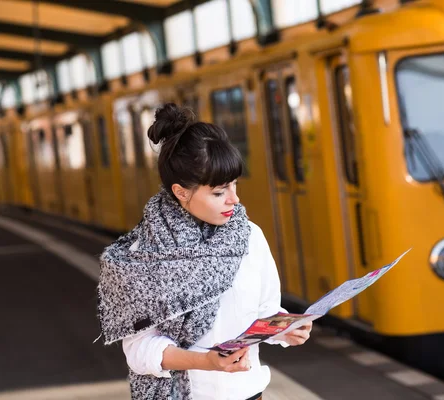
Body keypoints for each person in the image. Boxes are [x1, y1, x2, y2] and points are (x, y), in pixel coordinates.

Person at [96, 103, 312, 400]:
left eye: (235, 185)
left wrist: (284, 329)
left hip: (250, 393)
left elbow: (264, 312)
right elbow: (139, 351)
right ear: (181, 192)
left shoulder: (250, 236)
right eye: (219, 192)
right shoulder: (141, 257)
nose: (234, 200)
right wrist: (207, 363)